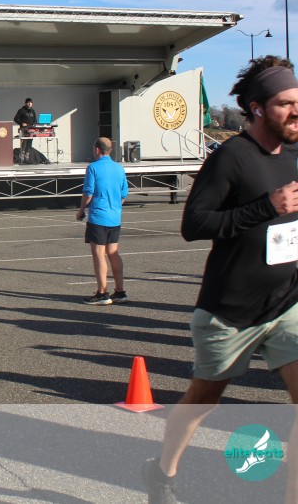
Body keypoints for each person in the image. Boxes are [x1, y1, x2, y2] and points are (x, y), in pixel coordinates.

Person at [143, 56, 298, 504]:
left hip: (286, 303)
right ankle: (162, 472)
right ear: (257, 108)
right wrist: (266, 206)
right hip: (229, 311)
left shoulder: (293, 156)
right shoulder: (231, 157)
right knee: (203, 402)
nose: (296, 112)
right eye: (286, 104)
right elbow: (195, 224)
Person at [76, 137, 128, 305]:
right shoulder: (119, 168)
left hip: (99, 216)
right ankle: (120, 291)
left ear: (97, 149)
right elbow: (123, 194)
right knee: (113, 253)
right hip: (115, 217)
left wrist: (81, 210)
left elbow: (88, 192)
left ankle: (102, 293)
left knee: (99, 254)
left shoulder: (93, 168)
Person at [13, 98, 37, 164]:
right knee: (23, 144)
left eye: (31, 102)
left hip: (31, 130)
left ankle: (27, 159)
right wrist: (21, 123)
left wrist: (34, 125)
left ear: (32, 103)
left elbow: (35, 120)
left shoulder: (33, 111)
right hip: (23, 130)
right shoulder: (21, 110)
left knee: (29, 145)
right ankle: (22, 160)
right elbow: (15, 119)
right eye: (28, 102)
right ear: (26, 103)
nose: (29, 104)